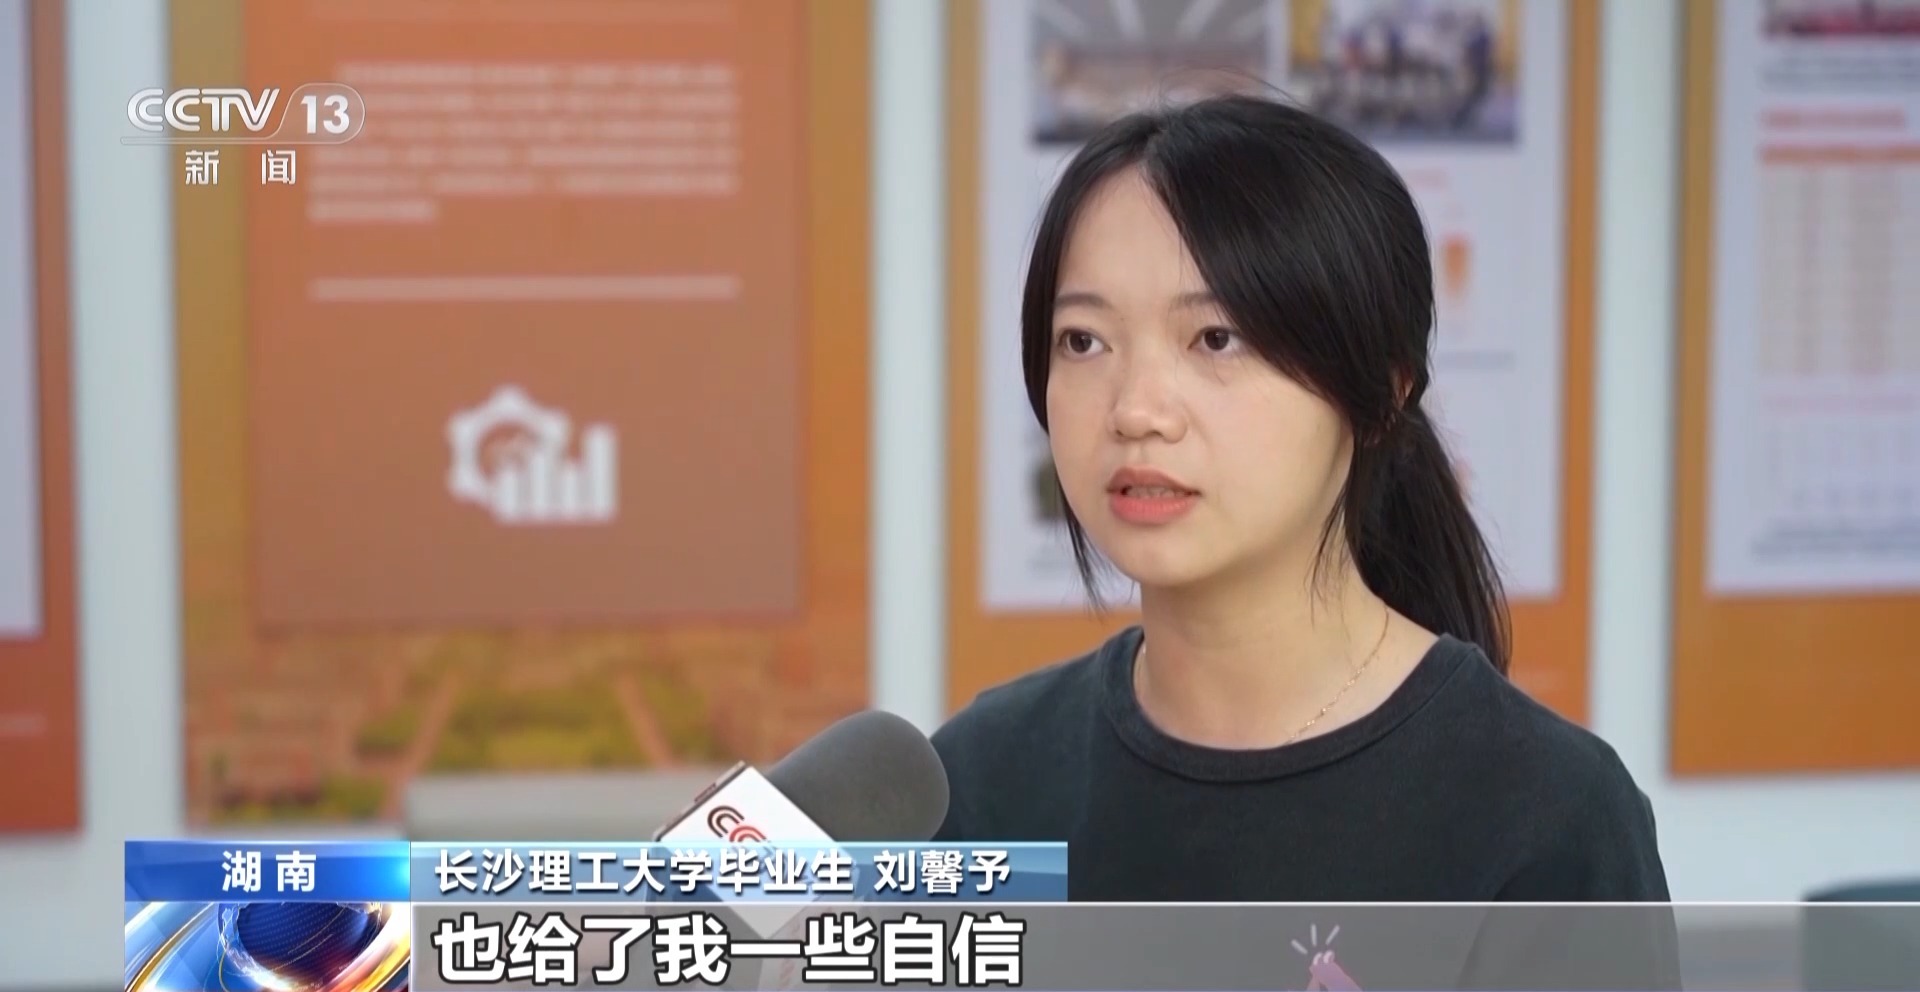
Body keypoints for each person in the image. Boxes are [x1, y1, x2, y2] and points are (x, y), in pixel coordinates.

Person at [931, 95, 1672, 911]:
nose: (1136, 410)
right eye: (1084, 341)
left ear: (1381, 394)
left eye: (1216, 339)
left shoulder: (1547, 816)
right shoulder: (979, 783)